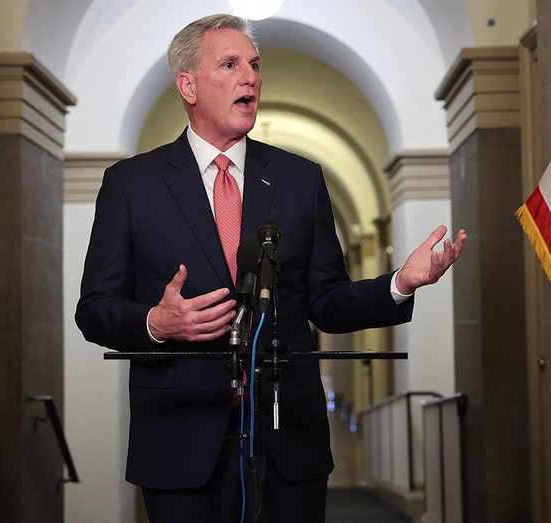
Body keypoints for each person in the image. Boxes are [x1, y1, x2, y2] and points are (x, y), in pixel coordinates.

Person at [75, 13, 467, 523]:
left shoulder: (299, 179)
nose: (251, 77)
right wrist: (156, 322)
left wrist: (399, 283)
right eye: (231, 64)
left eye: (256, 65)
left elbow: (326, 301)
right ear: (188, 85)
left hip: (289, 439)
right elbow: (94, 309)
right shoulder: (130, 184)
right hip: (180, 440)